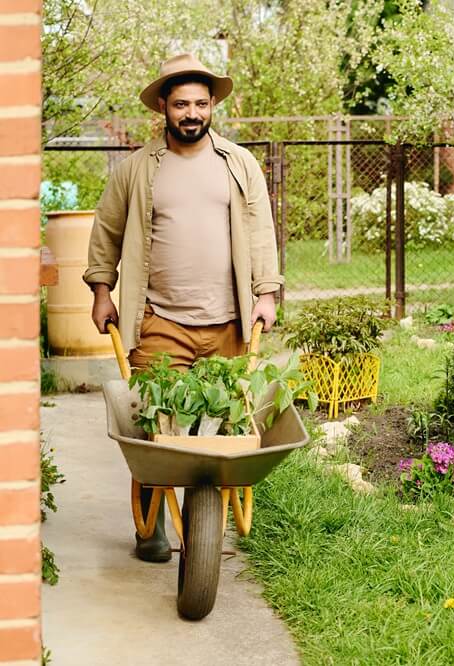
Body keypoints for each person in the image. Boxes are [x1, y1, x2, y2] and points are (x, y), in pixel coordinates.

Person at [84, 53, 282, 562]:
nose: (191, 113)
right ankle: (150, 524)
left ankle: (203, 519)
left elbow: (260, 233)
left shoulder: (238, 164)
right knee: (154, 427)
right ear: (163, 109)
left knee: (220, 426)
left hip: (229, 324)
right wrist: (102, 291)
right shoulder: (136, 170)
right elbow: (105, 232)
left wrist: (266, 293)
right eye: (180, 105)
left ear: (212, 104)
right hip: (160, 323)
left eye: (199, 103)